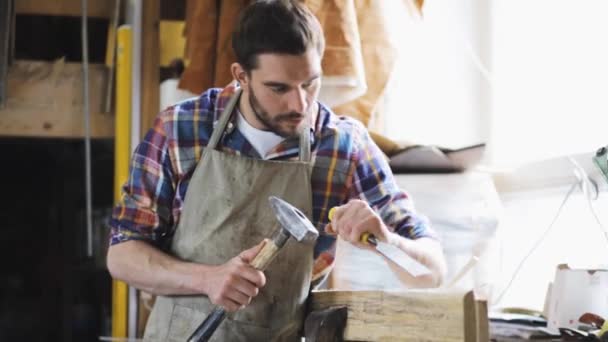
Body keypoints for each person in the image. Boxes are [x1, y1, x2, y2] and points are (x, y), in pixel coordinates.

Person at [106, 0, 447, 340]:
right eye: (279, 88)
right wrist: (206, 279)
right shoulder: (182, 128)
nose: (299, 105)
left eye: (310, 83)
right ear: (241, 76)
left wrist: (386, 241)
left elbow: (430, 271)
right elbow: (122, 255)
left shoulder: (344, 147)